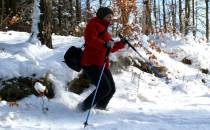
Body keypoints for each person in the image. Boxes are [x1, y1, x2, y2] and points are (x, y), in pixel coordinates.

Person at [79, 7, 126, 112]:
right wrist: (104, 44)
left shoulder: (104, 29)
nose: (110, 19)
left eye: (111, 17)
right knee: (104, 88)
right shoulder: (93, 25)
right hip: (91, 62)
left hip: (102, 63)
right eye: (108, 16)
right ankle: (83, 108)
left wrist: (121, 44)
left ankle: (100, 109)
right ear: (102, 16)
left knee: (111, 89)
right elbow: (91, 40)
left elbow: (110, 48)